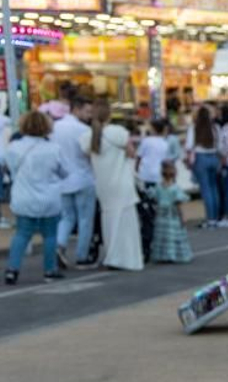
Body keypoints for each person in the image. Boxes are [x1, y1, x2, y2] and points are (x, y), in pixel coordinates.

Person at [4, 109, 69, 285]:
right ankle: (49, 270)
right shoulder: (54, 149)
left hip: (24, 197)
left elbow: (6, 166)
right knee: (50, 236)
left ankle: (12, 270)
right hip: (49, 198)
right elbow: (65, 172)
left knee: (22, 234)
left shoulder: (14, 148)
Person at [86, 100, 143, 271]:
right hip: (121, 182)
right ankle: (125, 257)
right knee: (125, 222)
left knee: (108, 220)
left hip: (103, 184)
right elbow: (132, 153)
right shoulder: (117, 132)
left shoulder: (89, 136)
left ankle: (112, 255)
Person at [52, 93, 96, 267]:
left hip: (62, 180)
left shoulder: (55, 127)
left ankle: (60, 246)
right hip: (83, 178)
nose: (89, 115)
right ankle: (81, 256)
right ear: (76, 109)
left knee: (66, 217)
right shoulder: (84, 130)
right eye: (87, 111)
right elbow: (90, 154)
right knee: (85, 220)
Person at [149, 159, 193, 264]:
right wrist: (183, 216)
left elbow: (155, 198)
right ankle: (173, 255)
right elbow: (178, 204)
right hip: (172, 215)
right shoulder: (175, 189)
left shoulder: (158, 187)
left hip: (161, 215)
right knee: (173, 235)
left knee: (162, 236)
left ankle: (162, 255)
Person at [186, 104, 222, 228]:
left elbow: (189, 146)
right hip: (213, 158)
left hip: (201, 158)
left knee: (205, 190)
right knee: (214, 189)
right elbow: (220, 146)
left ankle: (210, 219)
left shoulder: (194, 127)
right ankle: (216, 218)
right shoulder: (215, 128)